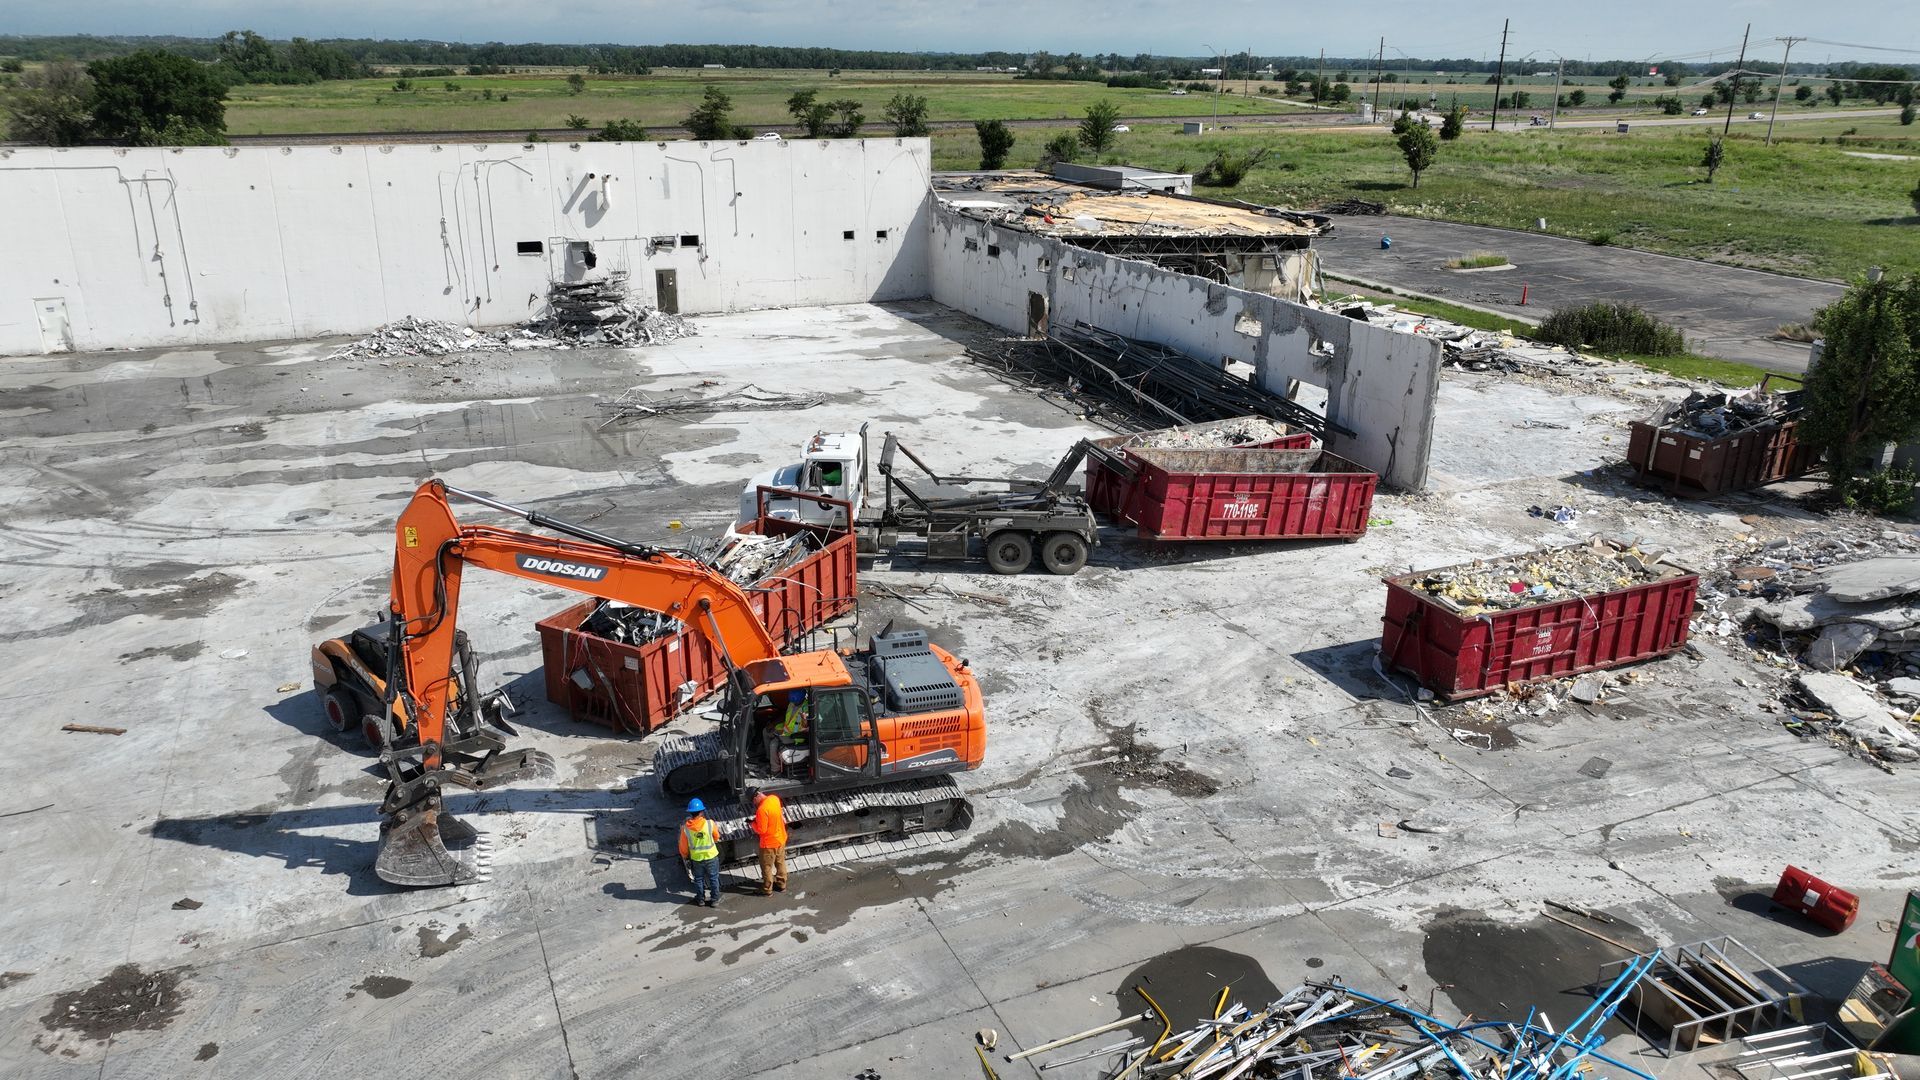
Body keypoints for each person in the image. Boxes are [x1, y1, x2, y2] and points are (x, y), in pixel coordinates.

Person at [679, 797, 722, 908]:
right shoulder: (710, 824)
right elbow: (717, 837)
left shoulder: (685, 829)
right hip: (711, 856)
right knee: (713, 878)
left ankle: (701, 900)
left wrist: (686, 856)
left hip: (696, 859)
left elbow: (683, 846)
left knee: (698, 879)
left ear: (690, 813)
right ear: (702, 812)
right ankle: (714, 900)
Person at [749, 788, 789, 896]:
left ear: (756, 797)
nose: (754, 803)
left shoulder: (761, 810)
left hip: (768, 844)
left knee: (766, 867)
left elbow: (762, 830)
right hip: (780, 839)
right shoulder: (774, 799)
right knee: (780, 863)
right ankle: (781, 885)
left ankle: (767, 890)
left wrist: (752, 824)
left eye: (753, 801)